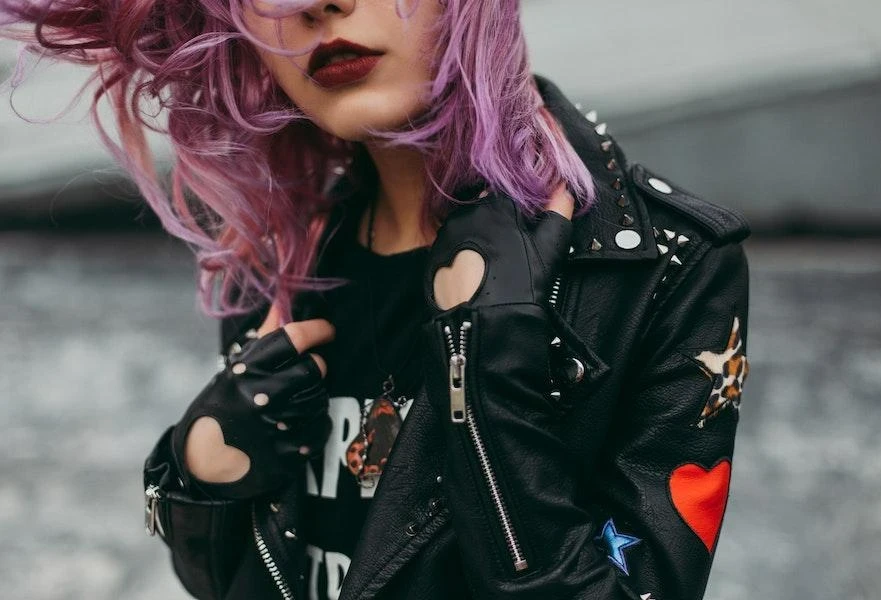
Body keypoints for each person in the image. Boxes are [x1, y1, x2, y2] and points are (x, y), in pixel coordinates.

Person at [1, 1, 753, 599]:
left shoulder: (662, 266)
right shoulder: (277, 258)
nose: (319, 7)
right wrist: (205, 486)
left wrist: (489, 388)